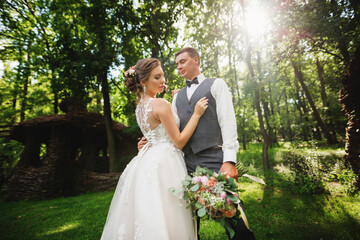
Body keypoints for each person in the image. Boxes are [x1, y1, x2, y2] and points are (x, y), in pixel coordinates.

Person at [139, 47, 255, 240]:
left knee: (233, 216)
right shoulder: (176, 96)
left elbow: (228, 124)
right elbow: (169, 128)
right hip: (184, 164)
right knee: (189, 222)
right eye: (177, 64)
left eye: (183, 61)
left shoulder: (217, 85)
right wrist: (148, 140)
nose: (179, 67)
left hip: (213, 158)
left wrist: (230, 161)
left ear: (196, 60)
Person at [100, 58, 208, 240]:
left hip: (146, 161)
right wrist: (196, 115)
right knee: (170, 211)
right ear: (143, 81)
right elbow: (179, 141)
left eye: (163, 75)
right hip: (166, 161)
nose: (163, 80)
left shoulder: (140, 107)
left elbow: (154, 132)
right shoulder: (160, 104)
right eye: (157, 77)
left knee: (151, 211)